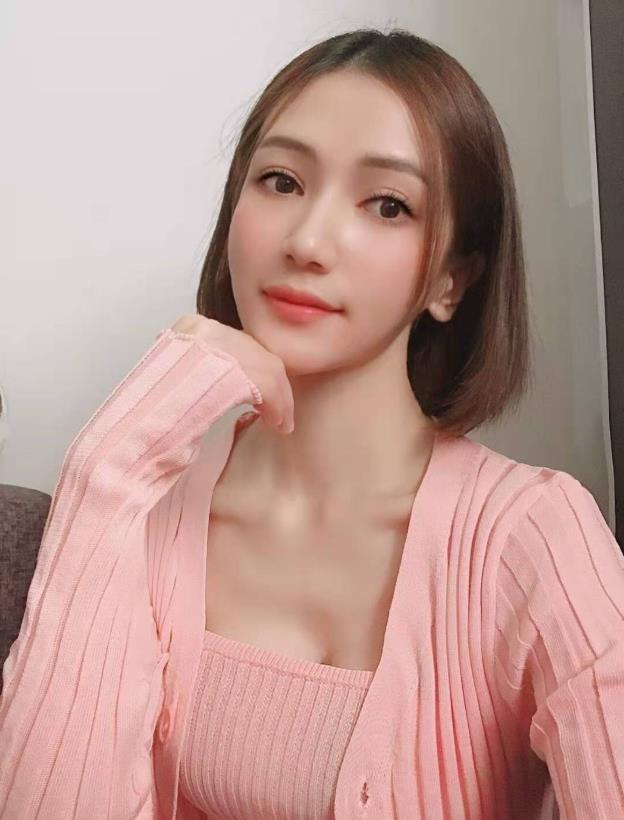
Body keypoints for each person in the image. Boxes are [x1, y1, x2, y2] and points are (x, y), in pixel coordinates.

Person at [1, 27, 623, 820]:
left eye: (388, 204)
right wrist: (107, 469)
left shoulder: (531, 538)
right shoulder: (145, 511)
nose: (307, 241)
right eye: (282, 181)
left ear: (451, 280)